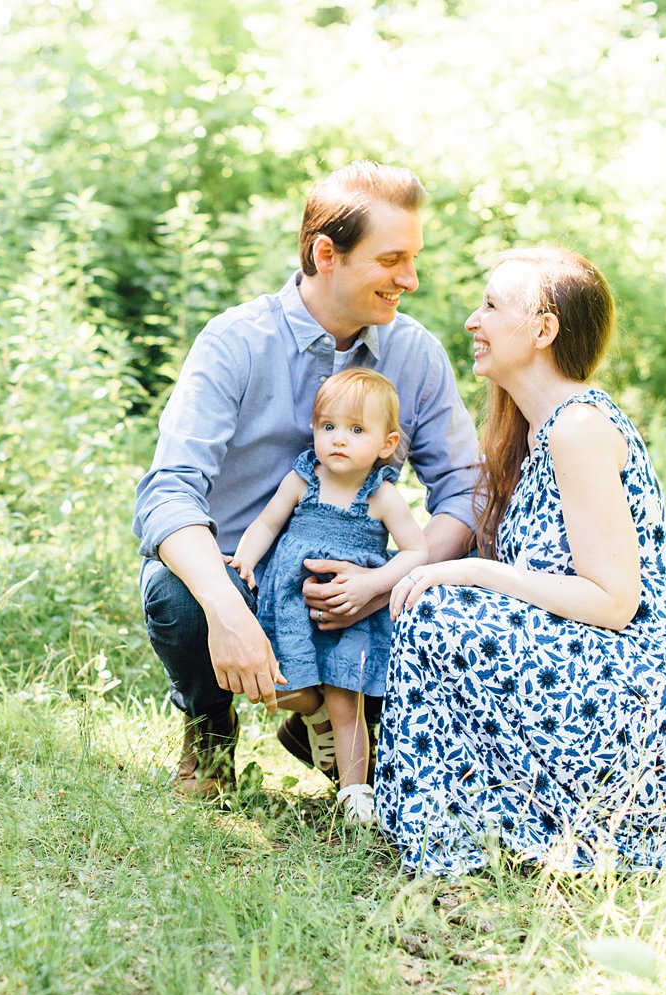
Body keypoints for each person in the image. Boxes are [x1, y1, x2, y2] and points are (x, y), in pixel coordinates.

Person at [378, 247, 666, 874]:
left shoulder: (577, 428)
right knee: (421, 602)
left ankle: (462, 823)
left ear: (542, 329)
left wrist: (470, 571)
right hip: (588, 658)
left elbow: (614, 601)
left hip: (640, 681)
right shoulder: (531, 430)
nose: (472, 322)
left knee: (440, 607)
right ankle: (453, 806)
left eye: (490, 306)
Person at [133, 161, 480, 798]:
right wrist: (226, 610)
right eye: (392, 259)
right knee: (174, 593)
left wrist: (389, 580)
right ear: (327, 253)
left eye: (414, 257)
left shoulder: (415, 354)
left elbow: (466, 487)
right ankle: (210, 728)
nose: (411, 278)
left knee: (459, 592)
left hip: (357, 596)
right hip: (246, 576)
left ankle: (334, 724)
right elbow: (168, 492)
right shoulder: (235, 342)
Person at [227, 369, 429, 824]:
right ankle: (311, 715)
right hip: (293, 607)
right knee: (281, 688)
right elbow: (266, 523)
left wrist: (375, 584)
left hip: (352, 613)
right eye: (328, 427)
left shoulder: (382, 496)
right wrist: (244, 560)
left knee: (347, 701)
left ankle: (356, 793)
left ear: (386, 443)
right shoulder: (303, 479)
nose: (339, 439)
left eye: (357, 430)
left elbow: (418, 550)